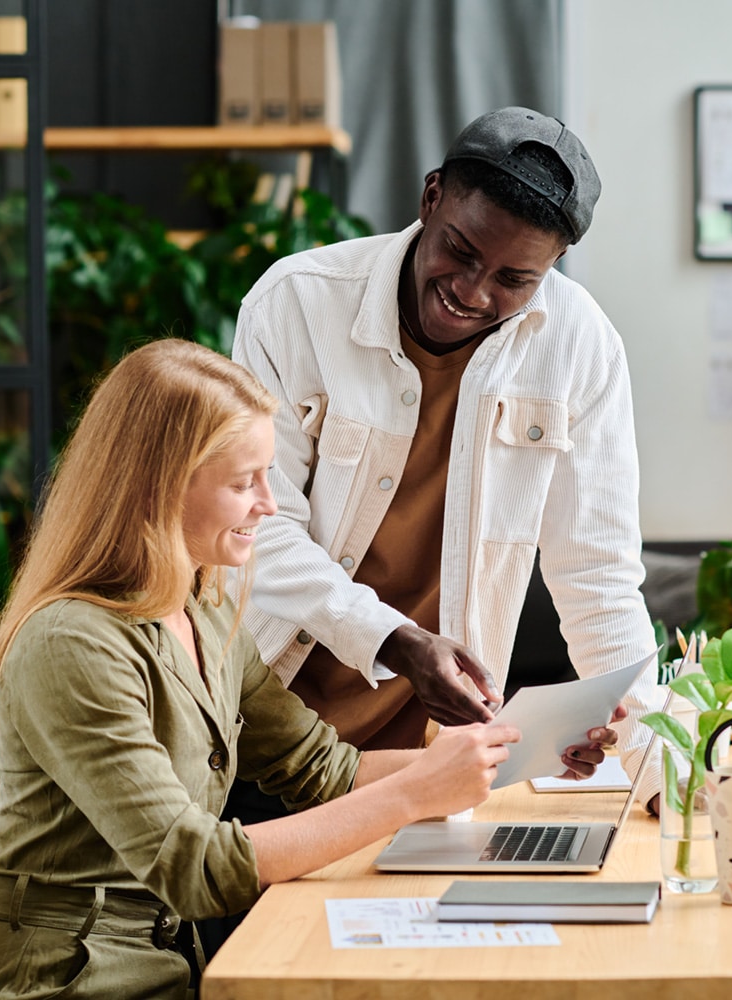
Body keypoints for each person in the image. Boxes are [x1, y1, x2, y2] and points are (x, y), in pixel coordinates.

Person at [0, 339, 518, 1000]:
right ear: (159, 488)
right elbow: (194, 868)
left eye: (268, 475)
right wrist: (417, 793)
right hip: (63, 981)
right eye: (244, 481)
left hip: (166, 967)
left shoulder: (205, 611)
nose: (269, 505)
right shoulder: (72, 645)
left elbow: (326, 772)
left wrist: (509, 750)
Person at [229, 106, 658, 803]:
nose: (472, 291)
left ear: (551, 268)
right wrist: (395, 640)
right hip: (268, 735)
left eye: (514, 279)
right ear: (432, 197)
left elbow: (599, 580)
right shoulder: (298, 304)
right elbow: (257, 531)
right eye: (461, 250)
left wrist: (681, 775)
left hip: (437, 765)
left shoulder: (581, 347)